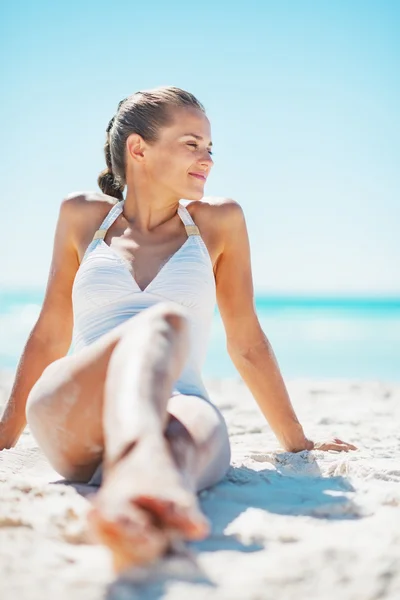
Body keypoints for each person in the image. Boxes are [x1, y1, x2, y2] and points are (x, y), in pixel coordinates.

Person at [0, 86, 357, 571]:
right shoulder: (82, 216)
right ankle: (145, 472)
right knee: (162, 323)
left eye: (210, 148)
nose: (207, 159)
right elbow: (49, 333)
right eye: (191, 144)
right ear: (139, 148)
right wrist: (5, 435)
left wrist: (299, 443)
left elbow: (246, 339)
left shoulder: (220, 222)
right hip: (79, 407)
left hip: (181, 405)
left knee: (189, 440)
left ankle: (143, 509)